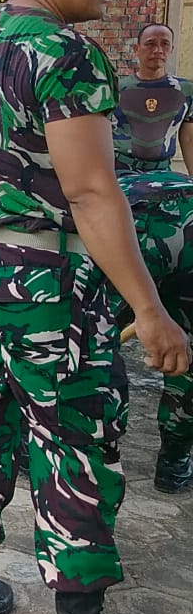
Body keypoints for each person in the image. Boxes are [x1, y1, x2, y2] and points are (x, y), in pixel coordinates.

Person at [0, 0, 191, 614]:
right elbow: (93, 192)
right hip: (43, 279)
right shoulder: (66, 54)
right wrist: (151, 307)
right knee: (71, 433)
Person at [112, 170, 193, 494]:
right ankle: (173, 463)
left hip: (128, 219)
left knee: (86, 343)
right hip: (163, 223)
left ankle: (66, 450)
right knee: (186, 356)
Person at [111, 22, 193, 173]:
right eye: (150, 44)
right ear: (137, 49)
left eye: (165, 44)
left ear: (172, 49)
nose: (158, 50)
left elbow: (189, 138)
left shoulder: (186, 90)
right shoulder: (116, 88)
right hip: (120, 171)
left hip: (162, 172)